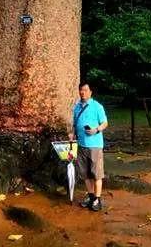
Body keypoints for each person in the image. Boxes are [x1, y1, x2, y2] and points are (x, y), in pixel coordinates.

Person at [69, 81, 108, 211]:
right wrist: (72, 134)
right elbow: (75, 124)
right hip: (81, 145)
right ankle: (91, 196)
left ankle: (97, 199)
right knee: (85, 174)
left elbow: (105, 123)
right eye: (81, 90)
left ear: (90, 92)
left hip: (95, 145)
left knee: (96, 173)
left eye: (85, 90)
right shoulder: (77, 107)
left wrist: (96, 130)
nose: (82, 92)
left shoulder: (97, 107)